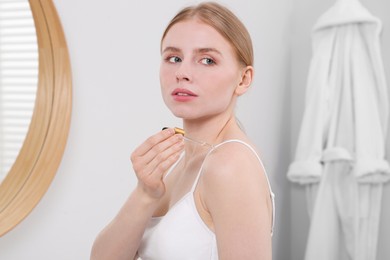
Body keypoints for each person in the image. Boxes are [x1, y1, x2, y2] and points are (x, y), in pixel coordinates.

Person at [90, 2, 274, 260]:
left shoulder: (230, 164)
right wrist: (145, 193)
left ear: (243, 79)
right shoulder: (182, 162)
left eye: (207, 60)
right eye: (173, 58)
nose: (183, 73)